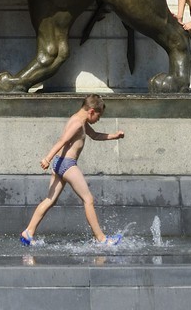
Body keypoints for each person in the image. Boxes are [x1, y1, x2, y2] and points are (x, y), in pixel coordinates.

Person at [20, 95, 124, 246]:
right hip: (67, 164)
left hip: (59, 163)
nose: (98, 119)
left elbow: (94, 135)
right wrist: (46, 158)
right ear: (91, 112)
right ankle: (102, 239)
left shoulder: (80, 120)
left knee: (50, 200)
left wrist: (114, 136)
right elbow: (62, 140)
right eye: (99, 116)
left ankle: (28, 232)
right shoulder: (77, 123)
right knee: (88, 199)